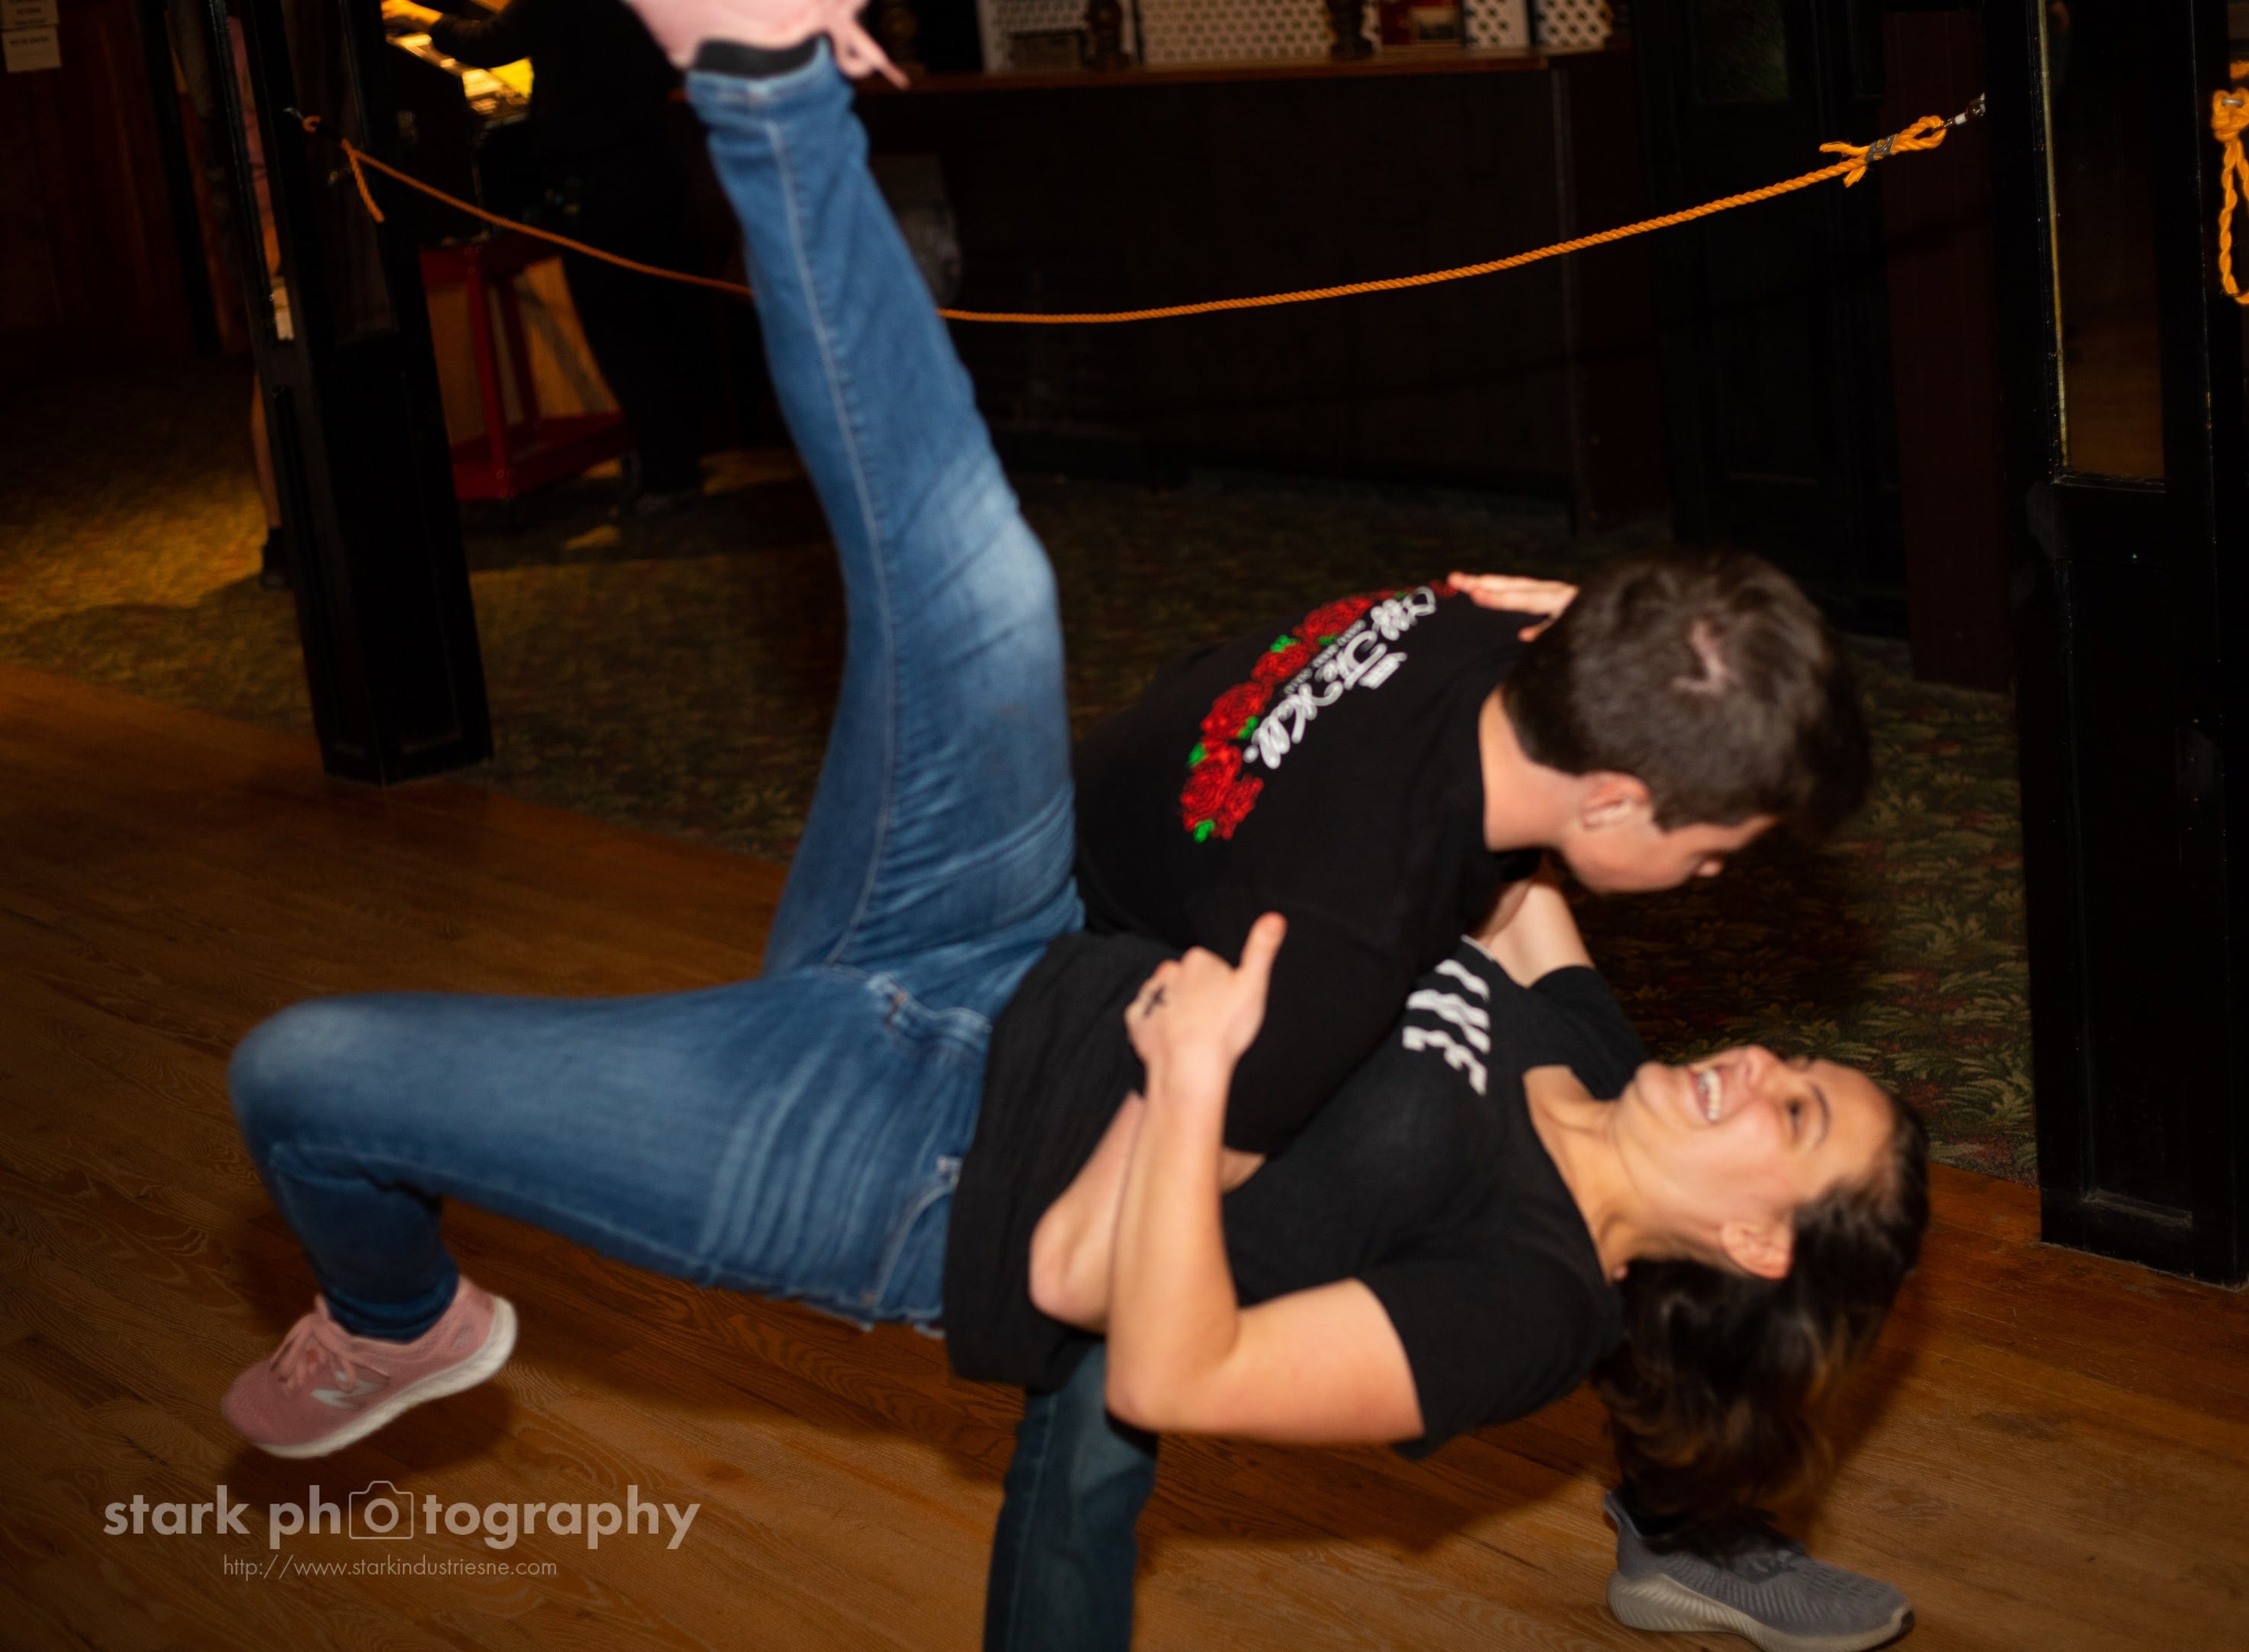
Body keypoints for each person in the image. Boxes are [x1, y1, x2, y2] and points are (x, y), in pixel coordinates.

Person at [215, 30, 1928, 1649]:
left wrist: (1190, 1081)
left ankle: (392, 1318)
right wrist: (1614, 636)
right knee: (987, 582)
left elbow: (1110, 1311)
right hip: (1012, 935)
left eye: (1792, 1110)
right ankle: (763, 65)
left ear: (1761, 1241)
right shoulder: (1586, 1040)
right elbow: (1547, 854)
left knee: (305, 1072)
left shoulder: (1529, 1304)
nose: (1756, 1051)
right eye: (1796, 1066)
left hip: (912, 1170)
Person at [381, 0, 712, 516]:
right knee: (659, 316)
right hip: (653, 156)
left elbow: (489, 42)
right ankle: (682, 457)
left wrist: (415, 14)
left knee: (621, 327)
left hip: (597, 174)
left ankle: (669, 473)